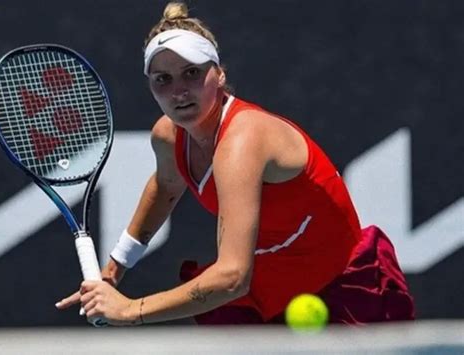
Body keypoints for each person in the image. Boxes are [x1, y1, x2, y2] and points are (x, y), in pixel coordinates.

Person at [56, 2, 415, 326]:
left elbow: (231, 277)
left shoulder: (243, 141)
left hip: (343, 288)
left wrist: (129, 310)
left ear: (220, 74)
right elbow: (166, 186)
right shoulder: (168, 135)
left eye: (192, 73)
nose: (179, 90)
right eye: (163, 79)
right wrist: (117, 266)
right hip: (269, 284)